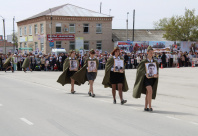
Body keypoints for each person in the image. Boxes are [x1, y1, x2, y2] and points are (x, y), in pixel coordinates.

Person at [133, 46, 159, 112]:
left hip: (152, 79)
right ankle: (150, 106)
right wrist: (145, 74)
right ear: (147, 53)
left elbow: (157, 70)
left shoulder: (155, 62)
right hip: (145, 79)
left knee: (148, 92)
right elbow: (139, 71)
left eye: (152, 53)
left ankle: (145, 107)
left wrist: (157, 75)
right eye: (150, 53)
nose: (151, 54)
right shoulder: (144, 61)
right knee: (150, 90)